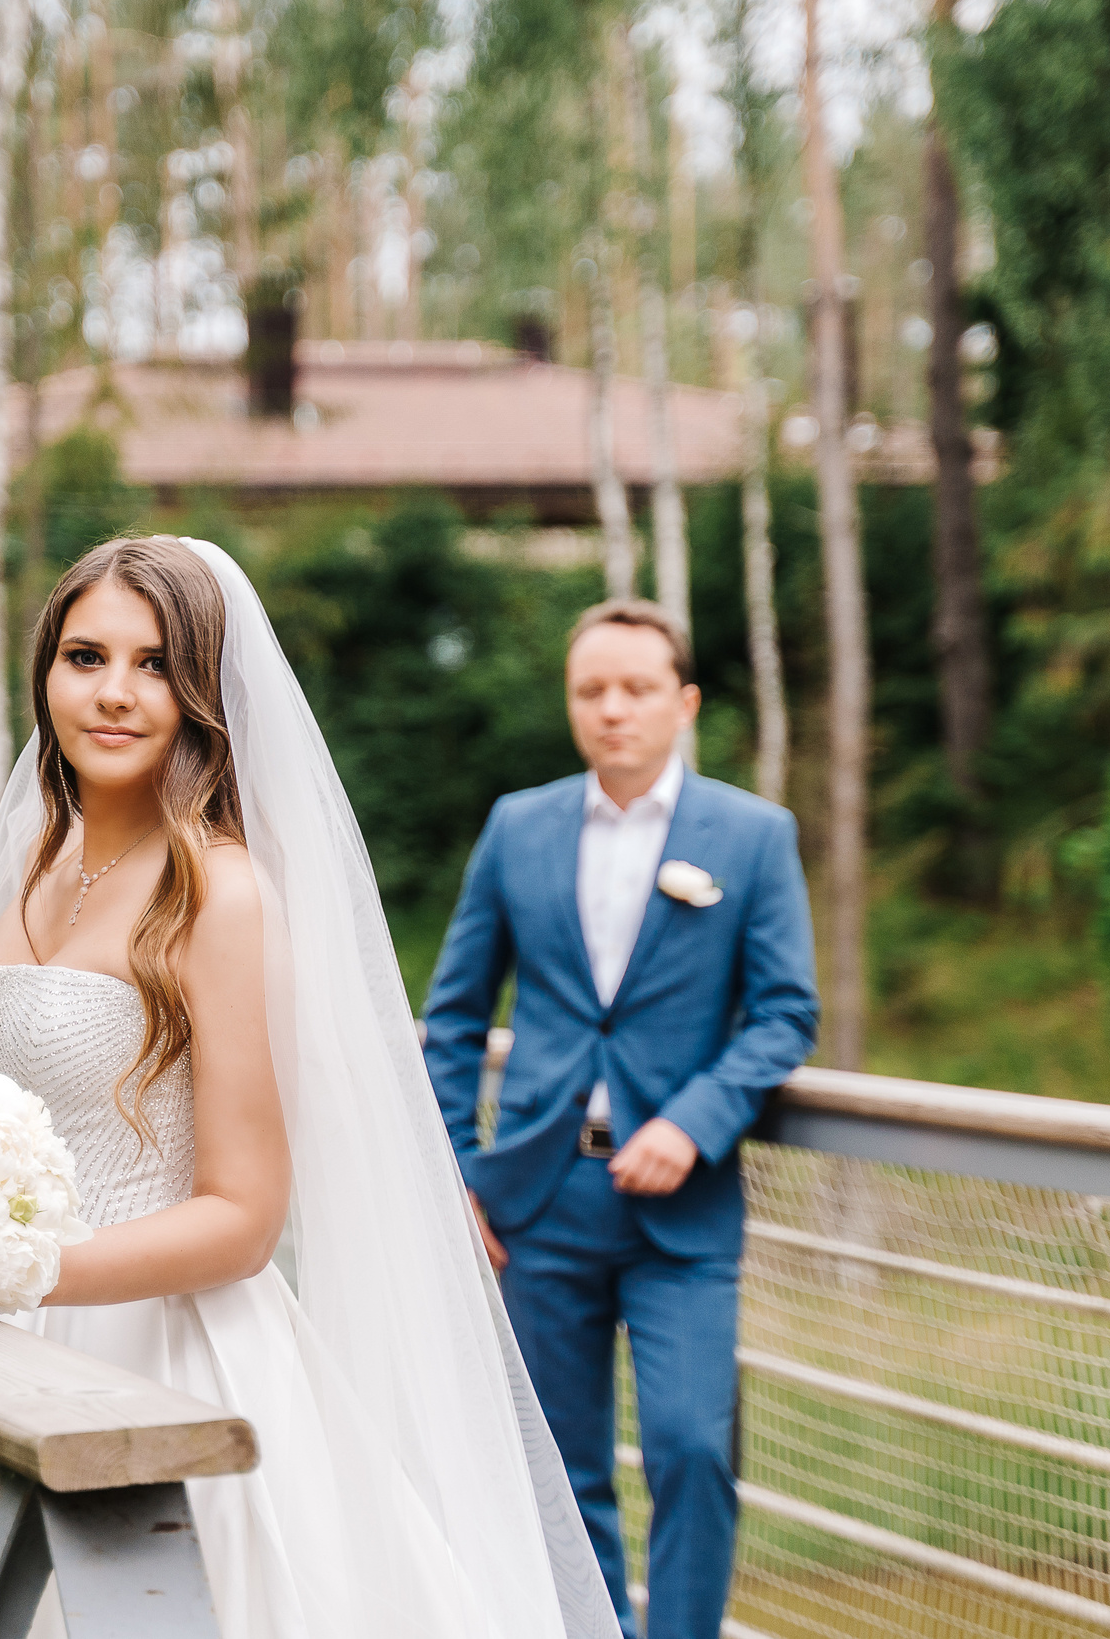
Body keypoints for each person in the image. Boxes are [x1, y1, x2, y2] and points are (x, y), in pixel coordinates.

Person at [0, 536, 617, 1639]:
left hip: (164, 1365)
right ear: (44, 670)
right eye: (84, 655)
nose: (113, 693)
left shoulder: (221, 894)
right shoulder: (30, 863)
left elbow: (242, 1221)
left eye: (153, 664)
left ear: (202, 694)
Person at [421, 600, 818, 1639]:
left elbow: (785, 1014)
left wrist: (693, 1120)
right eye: (590, 690)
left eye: (636, 689)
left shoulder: (752, 835)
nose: (612, 710)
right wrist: (457, 1169)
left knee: (693, 1449)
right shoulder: (518, 826)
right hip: (538, 1201)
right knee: (559, 1466)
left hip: (681, 1207)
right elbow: (454, 1018)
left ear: (682, 703)